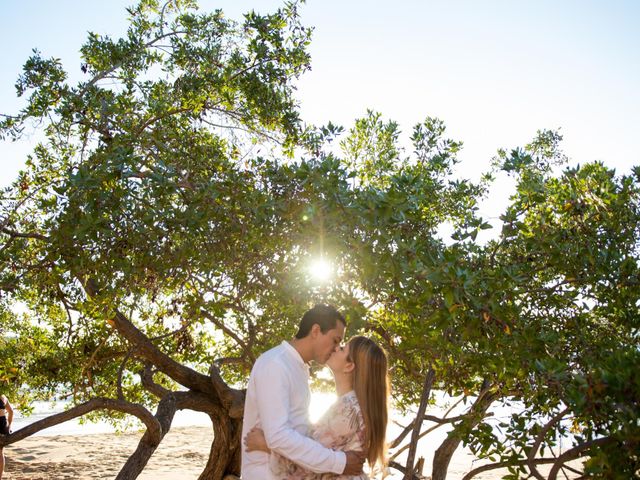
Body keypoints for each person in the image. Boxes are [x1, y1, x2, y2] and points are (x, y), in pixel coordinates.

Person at [241, 304, 366, 479]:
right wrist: (339, 462)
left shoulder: (297, 368)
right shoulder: (275, 364)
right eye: (335, 340)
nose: (336, 348)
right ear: (316, 330)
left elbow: (300, 433)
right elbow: (278, 436)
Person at [245, 335, 390, 480]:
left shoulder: (348, 411)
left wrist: (266, 445)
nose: (334, 348)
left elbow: (306, 464)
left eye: (341, 348)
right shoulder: (352, 407)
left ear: (349, 366)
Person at [0, 394, 13, 480]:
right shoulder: (2, 397)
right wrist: (9, 426)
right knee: (0, 452)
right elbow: (11, 412)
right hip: (2, 425)